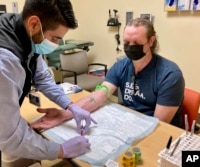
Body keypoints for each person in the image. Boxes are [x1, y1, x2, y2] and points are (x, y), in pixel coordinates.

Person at [0, 0, 95, 166]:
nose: (56, 46)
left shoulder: (25, 32)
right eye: (55, 38)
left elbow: (41, 77)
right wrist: (61, 150)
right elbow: (9, 138)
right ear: (34, 23)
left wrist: (71, 106)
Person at [31, 17, 185, 130]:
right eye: (126, 43)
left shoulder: (169, 75)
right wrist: (66, 114)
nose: (130, 47)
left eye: (136, 43)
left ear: (151, 41)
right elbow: (97, 96)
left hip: (158, 132)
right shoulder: (121, 66)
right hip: (130, 120)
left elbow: (157, 124)